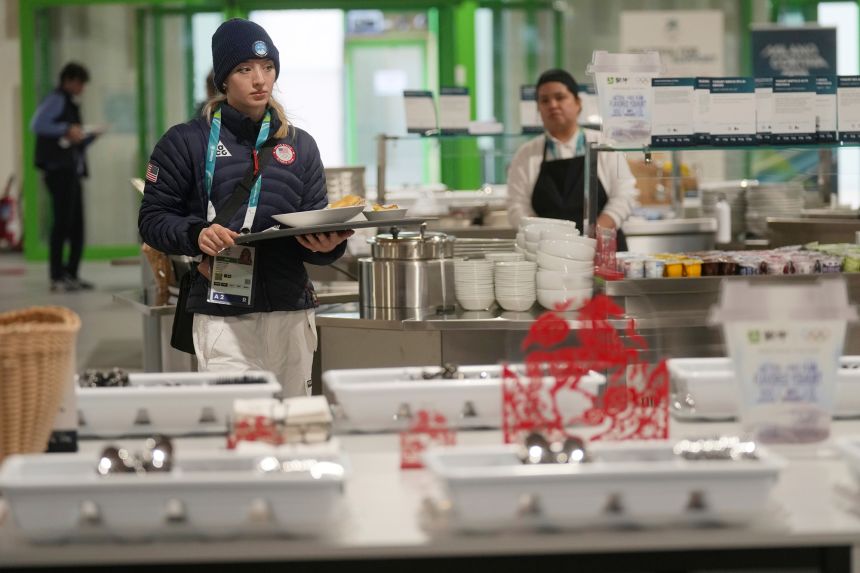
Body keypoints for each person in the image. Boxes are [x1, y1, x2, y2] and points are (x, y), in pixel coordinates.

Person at [138, 18, 352, 397]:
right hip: (222, 314)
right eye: (245, 69)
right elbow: (153, 220)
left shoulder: (300, 146)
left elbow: (315, 219)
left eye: (268, 68)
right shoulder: (184, 142)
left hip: (291, 308)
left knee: (291, 424)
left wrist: (329, 246)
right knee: (237, 426)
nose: (260, 80)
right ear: (223, 79)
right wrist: (196, 234)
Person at [507, 69, 637, 249]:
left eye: (560, 97)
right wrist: (544, 238)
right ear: (538, 109)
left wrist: (593, 235)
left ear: (578, 103)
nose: (552, 105)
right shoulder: (526, 154)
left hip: (602, 250)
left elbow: (625, 195)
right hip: (548, 254)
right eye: (544, 100)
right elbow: (517, 206)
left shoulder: (603, 144)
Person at [31, 62, 102, 291]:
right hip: (59, 171)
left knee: (76, 225)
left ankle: (71, 273)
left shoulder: (70, 102)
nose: (82, 88)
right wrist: (65, 129)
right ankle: (56, 276)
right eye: (80, 83)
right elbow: (38, 124)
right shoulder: (57, 99)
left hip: (72, 171)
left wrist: (89, 135)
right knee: (62, 223)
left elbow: (74, 140)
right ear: (69, 81)